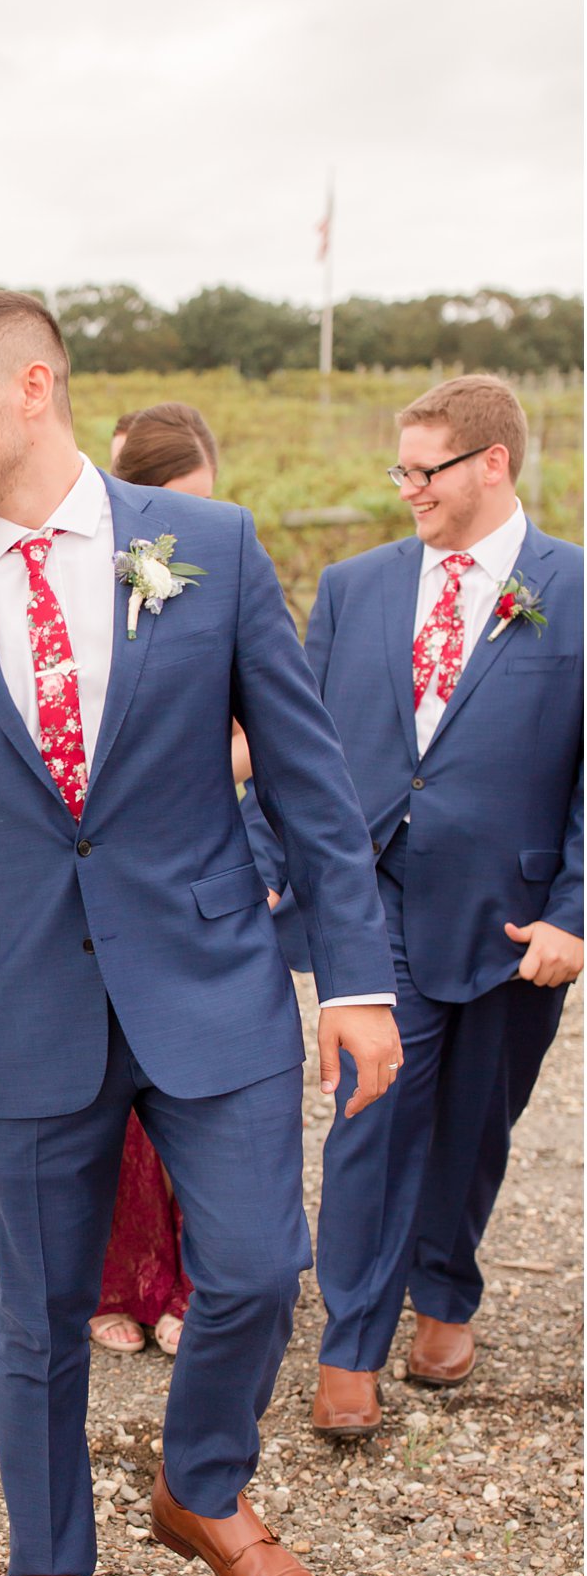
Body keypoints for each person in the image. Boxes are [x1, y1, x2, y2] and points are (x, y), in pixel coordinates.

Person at [0, 290, 402, 1576]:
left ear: (32, 390)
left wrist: (359, 978)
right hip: (19, 995)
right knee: (37, 1304)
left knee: (263, 1265)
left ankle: (202, 1485)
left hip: (212, 973)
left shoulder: (209, 546)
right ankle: (47, 1566)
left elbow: (314, 783)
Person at [241, 376, 582, 1437]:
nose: (405, 491)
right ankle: (350, 1341)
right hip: (367, 900)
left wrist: (573, 908)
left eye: (422, 470)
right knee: (366, 1114)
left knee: (477, 1123)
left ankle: (443, 1286)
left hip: (509, 915)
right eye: (399, 469)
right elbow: (294, 746)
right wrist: (262, 857)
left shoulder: (571, 588)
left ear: (491, 463)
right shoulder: (352, 588)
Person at [87, 402, 229, 1358]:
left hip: (200, 868)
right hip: (105, 878)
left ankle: (188, 1279)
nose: (193, 527)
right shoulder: (77, 581)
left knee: (198, 1094)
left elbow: (270, 733)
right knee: (111, 1111)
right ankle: (120, 1279)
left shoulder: (223, 571)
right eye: (177, 505)